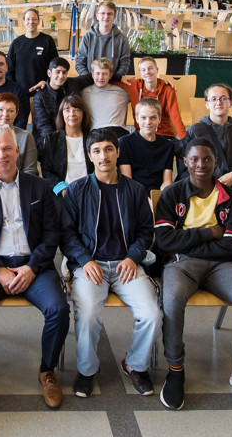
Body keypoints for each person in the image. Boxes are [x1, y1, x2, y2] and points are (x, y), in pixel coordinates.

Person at [155, 138, 232, 413]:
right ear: (185, 162)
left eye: (207, 159)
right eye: (194, 159)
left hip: (222, 265)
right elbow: (165, 241)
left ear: (216, 162)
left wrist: (187, 240)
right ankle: (175, 369)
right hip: (182, 264)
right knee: (171, 301)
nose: (201, 165)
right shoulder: (172, 194)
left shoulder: (230, 197)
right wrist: (209, 233)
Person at [0, 125, 68, 410]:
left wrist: (32, 268)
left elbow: (51, 235)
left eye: (7, 148)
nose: (2, 155)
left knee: (58, 309)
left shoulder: (40, 187)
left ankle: (47, 370)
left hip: (34, 265)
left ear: (18, 151)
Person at [62, 128, 161, 399]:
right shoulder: (77, 190)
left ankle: (135, 364)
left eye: (108, 149)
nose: (103, 156)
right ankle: (87, 371)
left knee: (151, 314)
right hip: (90, 265)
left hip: (126, 265)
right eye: (96, 151)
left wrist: (132, 257)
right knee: (88, 315)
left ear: (118, 152)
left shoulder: (136, 190)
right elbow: (67, 235)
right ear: (89, 156)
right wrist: (84, 260)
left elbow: (145, 232)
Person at [179, 83, 232, 189]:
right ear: (207, 104)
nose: (218, 102)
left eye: (223, 98)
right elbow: (185, 165)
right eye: (213, 99)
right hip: (203, 187)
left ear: (231, 103)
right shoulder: (196, 130)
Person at [37, 95, 93, 198]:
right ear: (62, 114)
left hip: (90, 192)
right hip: (62, 194)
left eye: (76, 110)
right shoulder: (51, 140)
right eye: (67, 110)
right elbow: (47, 171)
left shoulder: (92, 138)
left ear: (83, 114)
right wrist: (63, 190)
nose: (72, 114)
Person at [118, 98, 176, 193]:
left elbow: (167, 181)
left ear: (159, 119)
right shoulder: (125, 142)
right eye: (143, 118)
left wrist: (161, 197)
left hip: (157, 194)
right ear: (137, 118)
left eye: (153, 118)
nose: (148, 122)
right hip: (134, 193)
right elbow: (127, 180)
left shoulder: (168, 146)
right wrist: (144, 199)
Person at [33, 57, 90, 141]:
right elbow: (43, 125)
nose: (61, 76)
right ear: (49, 73)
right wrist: (56, 141)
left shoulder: (73, 83)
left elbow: (94, 76)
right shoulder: (40, 96)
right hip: (50, 137)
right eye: (57, 72)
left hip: (72, 133)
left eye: (64, 72)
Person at [129, 57, 186, 139]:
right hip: (142, 134)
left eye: (150, 68)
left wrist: (186, 141)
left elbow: (176, 118)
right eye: (143, 70)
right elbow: (111, 78)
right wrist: (120, 78)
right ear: (140, 73)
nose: (147, 72)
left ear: (157, 70)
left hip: (163, 134)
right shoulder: (133, 85)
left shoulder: (167, 89)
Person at [74, 0, 131, 80]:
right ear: (97, 15)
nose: (106, 16)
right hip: (90, 81)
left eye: (109, 14)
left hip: (113, 82)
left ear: (114, 17)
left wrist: (114, 79)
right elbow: (80, 62)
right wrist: (89, 78)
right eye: (103, 13)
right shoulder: (88, 37)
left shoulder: (122, 39)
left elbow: (125, 64)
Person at [6, 8, 59, 91]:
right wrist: (14, 88)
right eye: (28, 19)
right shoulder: (16, 43)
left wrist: (47, 83)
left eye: (34, 19)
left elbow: (55, 66)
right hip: (21, 91)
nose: (31, 22)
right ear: (23, 22)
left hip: (42, 90)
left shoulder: (47, 41)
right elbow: (9, 69)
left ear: (38, 21)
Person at [80, 58, 131, 132]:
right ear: (92, 75)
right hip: (95, 133)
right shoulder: (84, 92)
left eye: (104, 74)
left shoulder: (123, 92)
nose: (100, 77)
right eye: (98, 73)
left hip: (117, 131)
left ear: (110, 76)